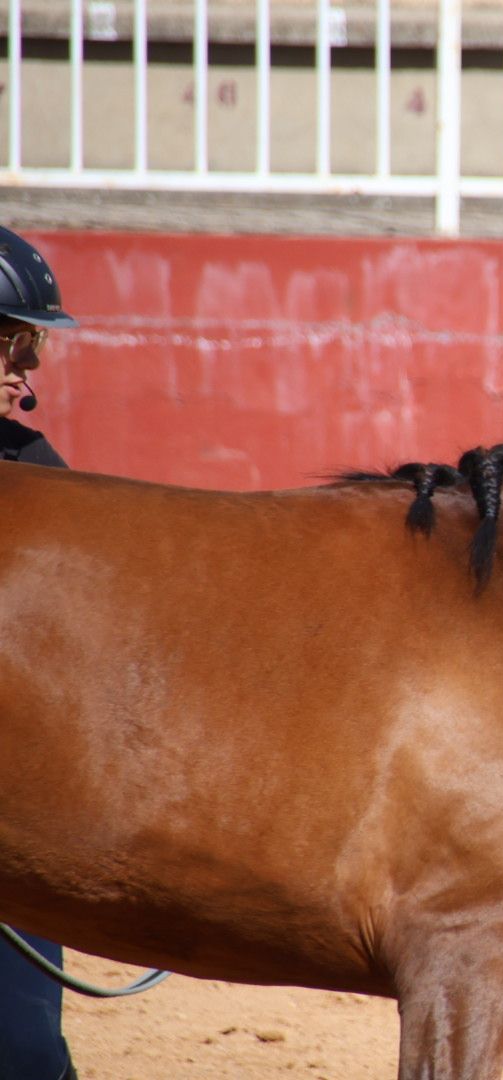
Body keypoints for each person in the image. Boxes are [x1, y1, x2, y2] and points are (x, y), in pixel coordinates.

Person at [0, 225, 78, 1080]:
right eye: (13, 340)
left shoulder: (33, 472)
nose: (30, 368)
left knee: (24, 1055)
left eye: (33, 343)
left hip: (16, 824)